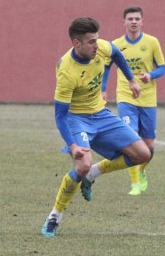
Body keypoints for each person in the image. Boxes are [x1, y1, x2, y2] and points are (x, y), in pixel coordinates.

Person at [41, 17, 152, 238]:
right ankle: (55, 215)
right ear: (76, 43)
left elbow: (117, 55)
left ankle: (93, 174)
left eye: (97, 40)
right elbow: (60, 115)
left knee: (143, 154)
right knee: (81, 165)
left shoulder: (101, 47)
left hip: (100, 114)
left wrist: (131, 80)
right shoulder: (66, 71)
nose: (96, 45)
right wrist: (72, 145)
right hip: (76, 118)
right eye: (91, 41)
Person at [104, 6, 165, 196]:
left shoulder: (152, 42)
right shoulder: (116, 44)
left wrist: (151, 75)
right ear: (124, 22)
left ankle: (142, 171)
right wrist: (103, 89)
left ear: (142, 21)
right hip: (126, 97)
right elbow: (106, 67)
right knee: (131, 137)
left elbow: (162, 67)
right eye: (130, 19)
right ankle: (135, 183)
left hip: (148, 99)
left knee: (148, 147)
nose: (133, 22)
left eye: (137, 19)